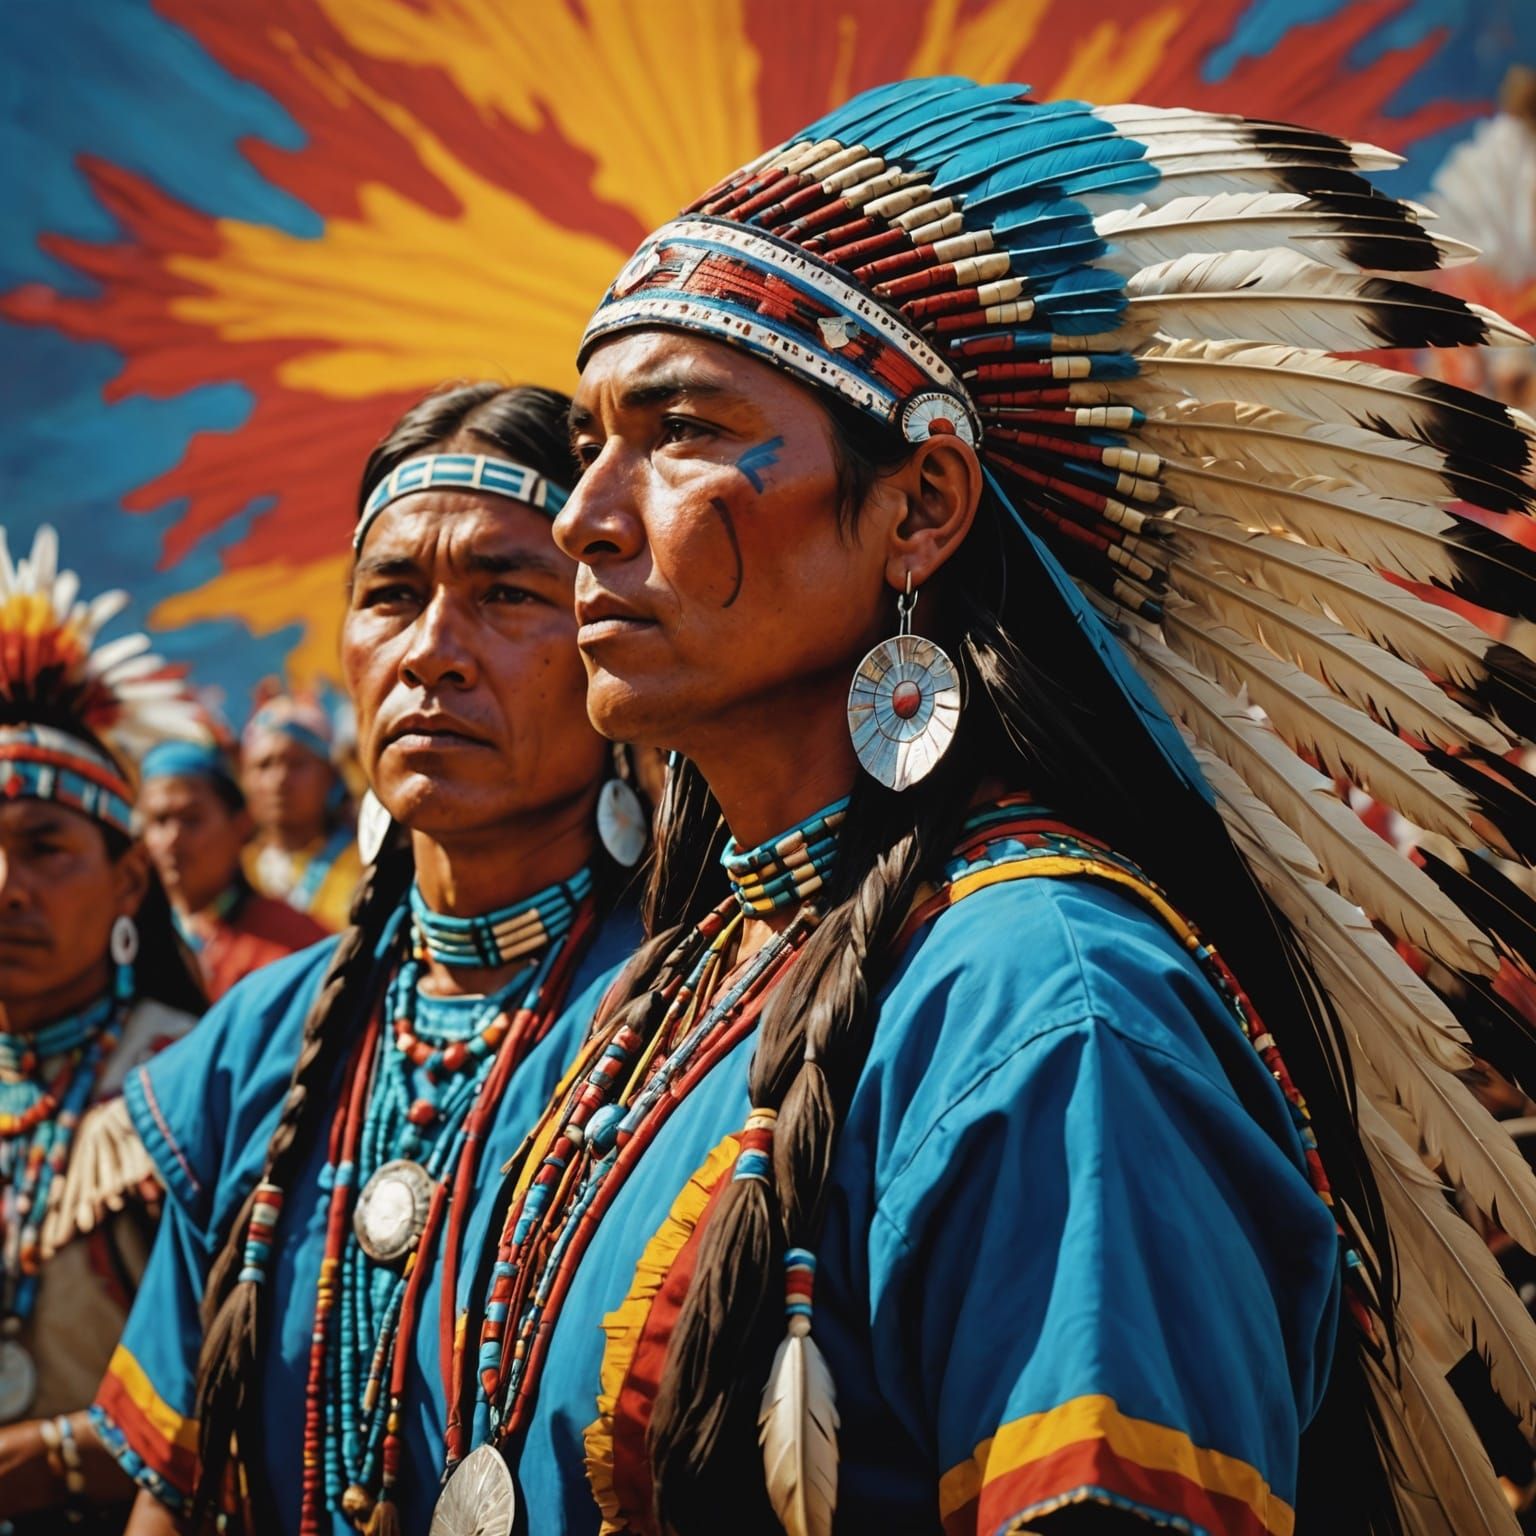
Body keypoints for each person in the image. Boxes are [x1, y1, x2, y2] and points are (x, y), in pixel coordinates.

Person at [435, 80, 1536, 1535]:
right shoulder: (689, 978)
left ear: (921, 508)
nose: (582, 515)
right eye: (591, 445)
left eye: (680, 430)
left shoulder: (1052, 1003)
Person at [92, 382, 649, 1536]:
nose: (433, 653)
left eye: (506, 593)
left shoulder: (699, 1018)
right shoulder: (264, 1036)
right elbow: (171, 1493)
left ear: (607, 628)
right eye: (392, 595)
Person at [0, 527, 207, 1533]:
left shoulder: (187, 1077)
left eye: (45, 849)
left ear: (129, 879)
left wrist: (65, 1459)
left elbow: (246, 1376)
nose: (8, 889)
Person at [137, 741, 327, 1000]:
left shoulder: (296, 945)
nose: (172, 838)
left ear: (240, 826)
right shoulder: (124, 941)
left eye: (191, 819)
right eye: (159, 821)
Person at [240, 696, 362, 934]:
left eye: (296, 764)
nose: (279, 780)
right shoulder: (232, 870)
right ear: (243, 778)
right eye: (264, 765)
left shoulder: (367, 866)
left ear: (330, 776)